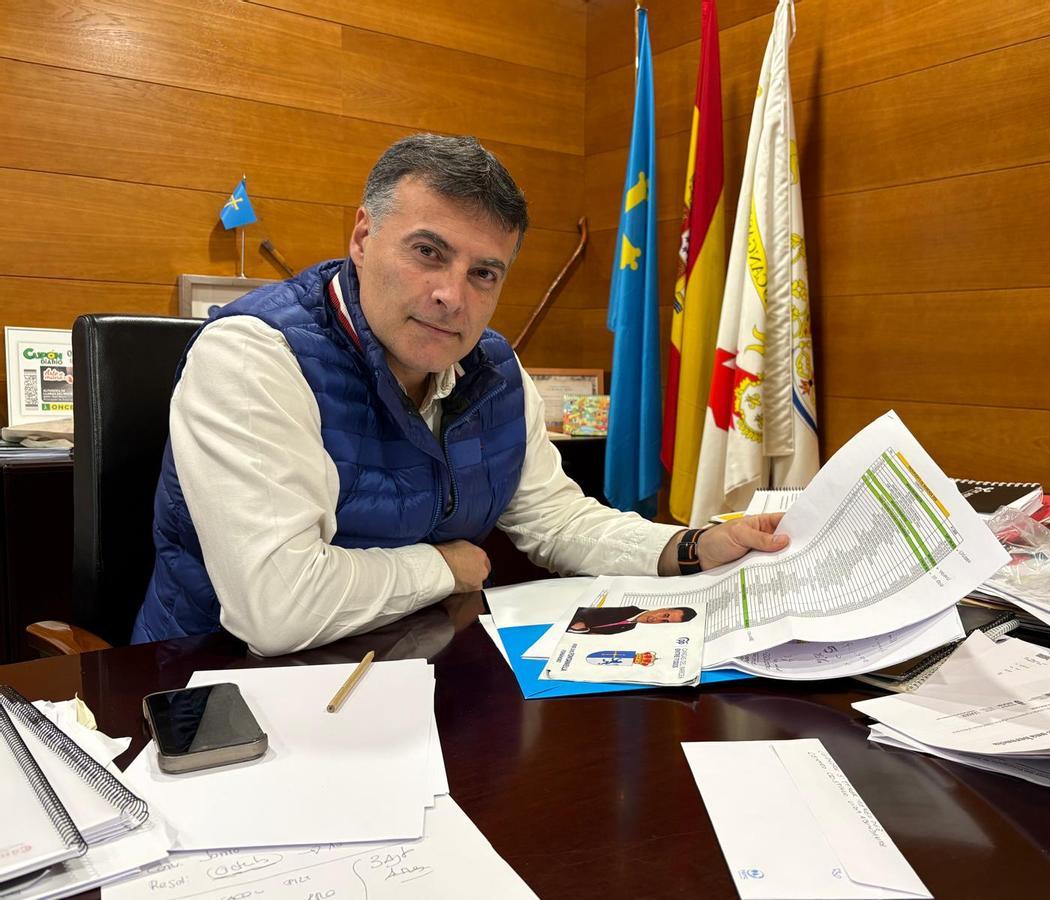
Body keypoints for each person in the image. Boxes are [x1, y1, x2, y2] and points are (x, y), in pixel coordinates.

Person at [132, 133, 790, 656]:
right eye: (427, 252)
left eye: (484, 272)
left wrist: (694, 547)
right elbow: (277, 607)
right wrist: (445, 567)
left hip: (416, 668)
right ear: (362, 238)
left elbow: (558, 522)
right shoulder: (254, 355)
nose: (453, 296)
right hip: (217, 687)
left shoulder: (497, 371)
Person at [567, 606, 697, 637]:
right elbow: (583, 610)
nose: (658, 619)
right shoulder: (629, 610)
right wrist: (579, 624)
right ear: (664, 608)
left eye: (665, 622)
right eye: (665, 615)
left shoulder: (630, 628)